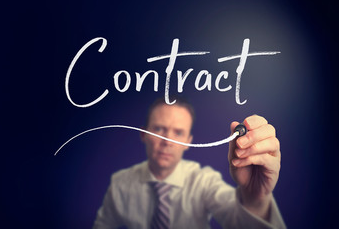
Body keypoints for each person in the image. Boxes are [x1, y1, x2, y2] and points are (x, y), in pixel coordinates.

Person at [93, 97, 286, 229]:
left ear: (188, 141)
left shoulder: (204, 181)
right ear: (143, 134)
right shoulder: (120, 183)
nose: (168, 142)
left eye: (178, 132)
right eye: (159, 129)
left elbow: (236, 220)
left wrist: (255, 199)